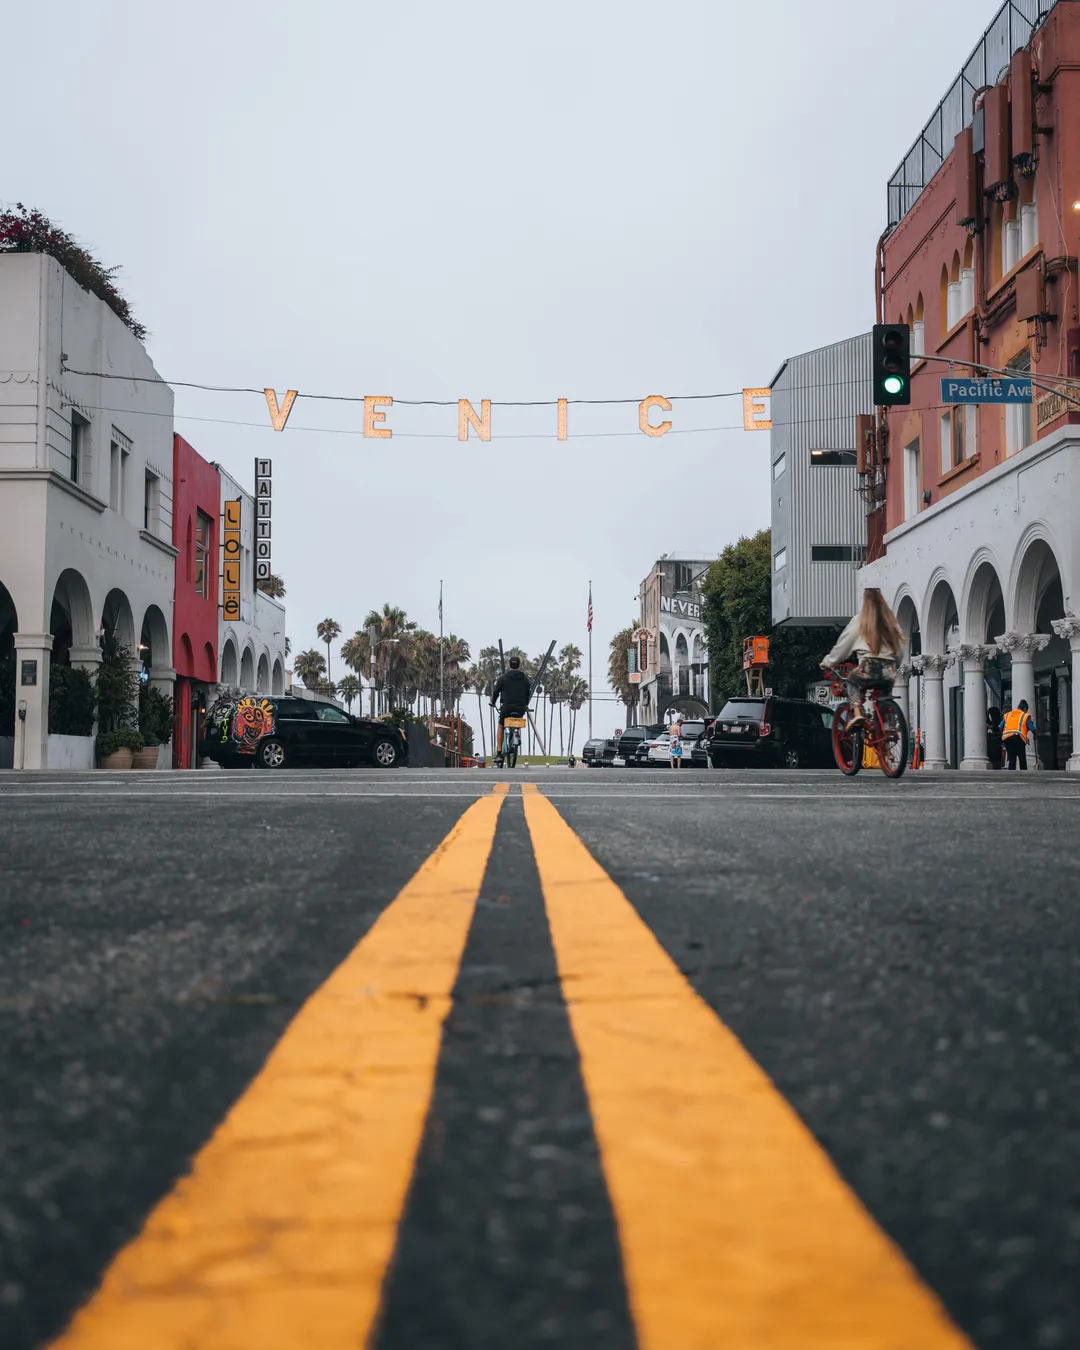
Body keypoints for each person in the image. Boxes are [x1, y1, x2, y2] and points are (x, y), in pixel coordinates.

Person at [821, 588, 904, 727]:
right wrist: (896, 665)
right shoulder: (890, 622)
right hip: (889, 670)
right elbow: (900, 650)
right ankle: (888, 725)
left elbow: (843, 646)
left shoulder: (860, 621)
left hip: (868, 667)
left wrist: (828, 662)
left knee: (852, 680)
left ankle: (857, 713)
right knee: (885, 694)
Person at [490, 656, 532, 760]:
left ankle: (499, 753)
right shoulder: (525, 679)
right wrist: (525, 704)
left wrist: (493, 702)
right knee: (517, 722)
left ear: (509, 665)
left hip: (507, 707)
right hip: (520, 708)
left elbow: (496, 692)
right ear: (519, 665)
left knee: (501, 726)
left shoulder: (503, 678)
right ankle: (515, 736)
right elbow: (528, 694)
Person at [999, 699, 1037, 770]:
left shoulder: (1008, 715)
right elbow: (1032, 728)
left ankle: (1011, 773)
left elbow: (1000, 727)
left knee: (1011, 758)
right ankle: (1023, 773)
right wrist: (1035, 735)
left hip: (1008, 738)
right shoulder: (1025, 715)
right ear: (1025, 708)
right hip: (1019, 738)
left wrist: (1003, 735)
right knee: (1022, 758)